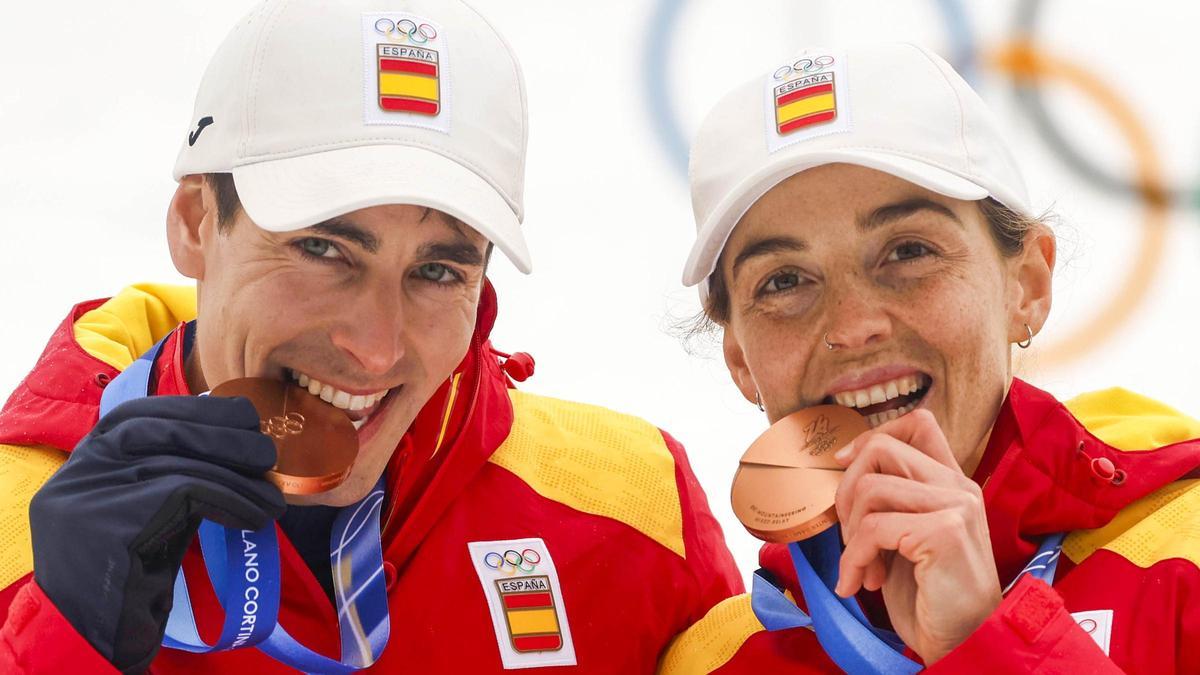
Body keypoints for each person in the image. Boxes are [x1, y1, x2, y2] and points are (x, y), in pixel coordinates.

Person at [0, 1, 741, 672]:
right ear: (197, 223)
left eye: (439, 270)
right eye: (323, 250)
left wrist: (851, 603)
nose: (376, 348)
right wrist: (59, 645)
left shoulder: (635, 514)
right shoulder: (15, 527)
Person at [659, 43, 1200, 673]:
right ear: (741, 360)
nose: (855, 326)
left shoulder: (1183, 566)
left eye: (909, 250)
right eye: (784, 282)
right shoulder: (718, 659)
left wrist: (986, 642)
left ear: (1027, 284)